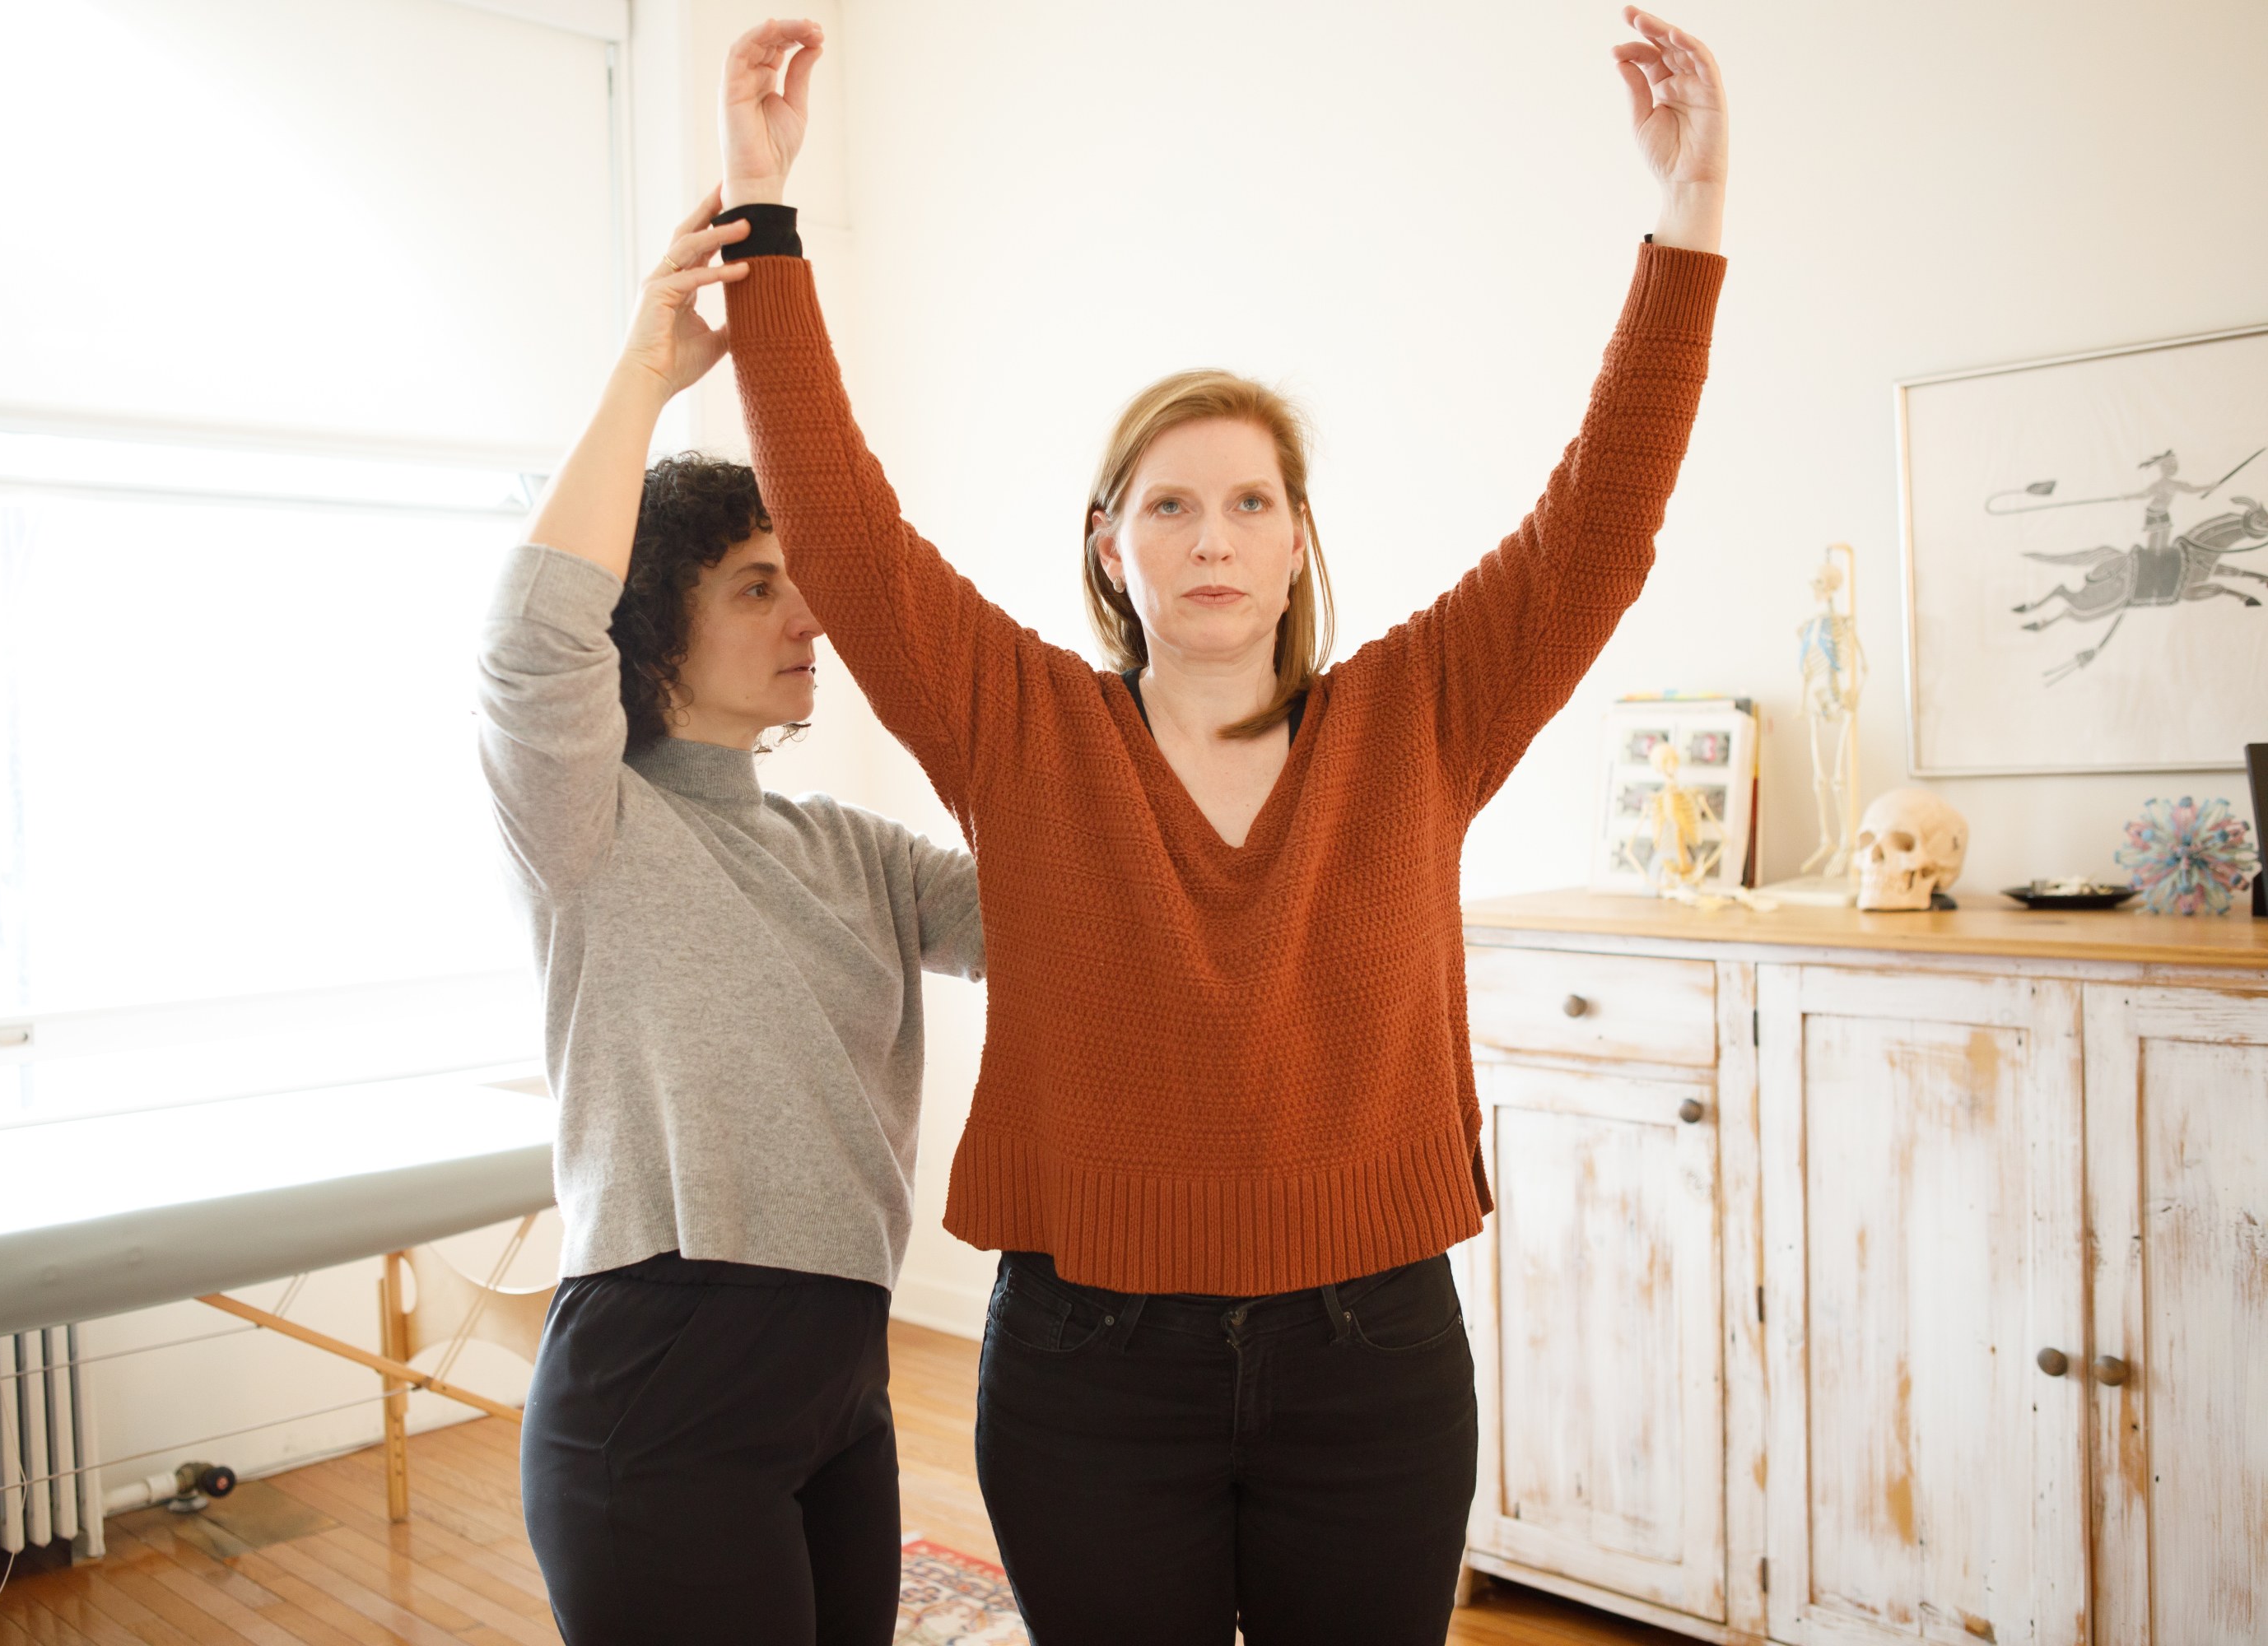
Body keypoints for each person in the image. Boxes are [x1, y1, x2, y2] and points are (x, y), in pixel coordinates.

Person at [715, 10, 1729, 1642]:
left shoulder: (1420, 713)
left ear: (1299, 537)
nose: (1212, 534)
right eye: (1168, 502)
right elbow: (838, 520)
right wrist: (762, 208)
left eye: (1251, 498)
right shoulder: (1022, 724)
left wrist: (1688, 215)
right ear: (1109, 544)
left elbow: (1599, 522)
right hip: (1088, 1377)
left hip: (1375, 1366)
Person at [478, 188, 985, 1645]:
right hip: (660, 1388)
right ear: (651, 628)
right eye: (760, 587)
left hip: (841, 1380)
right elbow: (529, 642)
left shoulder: (857, 854)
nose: (806, 618)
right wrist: (647, 371)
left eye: (801, 584)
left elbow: (1057, 920)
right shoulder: (593, 828)